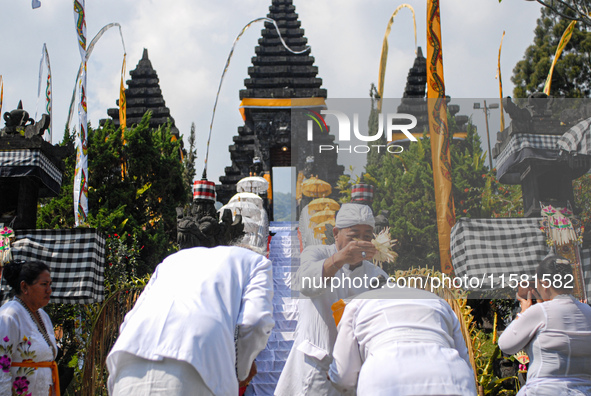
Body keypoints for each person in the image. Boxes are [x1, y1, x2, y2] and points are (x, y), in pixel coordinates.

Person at [106, 245, 274, 396]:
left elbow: (131, 318)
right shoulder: (257, 263)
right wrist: (241, 371)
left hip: (129, 356)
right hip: (198, 366)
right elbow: (255, 322)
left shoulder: (173, 259)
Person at [275, 203, 388, 396]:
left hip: (352, 375)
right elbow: (305, 284)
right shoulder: (316, 253)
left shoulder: (376, 274)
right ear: (336, 234)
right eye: (353, 236)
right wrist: (340, 258)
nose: (360, 242)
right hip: (315, 367)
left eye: (367, 237)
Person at [328, 286, 477, 396]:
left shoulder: (357, 304)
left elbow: (344, 377)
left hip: (385, 378)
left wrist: (333, 376)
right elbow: (465, 359)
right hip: (451, 378)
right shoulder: (439, 302)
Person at [498, 255, 591, 395]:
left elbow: (506, 345)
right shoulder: (588, 312)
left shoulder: (541, 312)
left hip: (544, 390)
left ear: (545, 284)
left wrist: (523, 313)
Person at [0, 260, 58, 396]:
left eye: (50, 284)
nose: (49, 290)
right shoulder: (9, 316)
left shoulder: (43, 316)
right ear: (24, 287)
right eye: (43, 284)